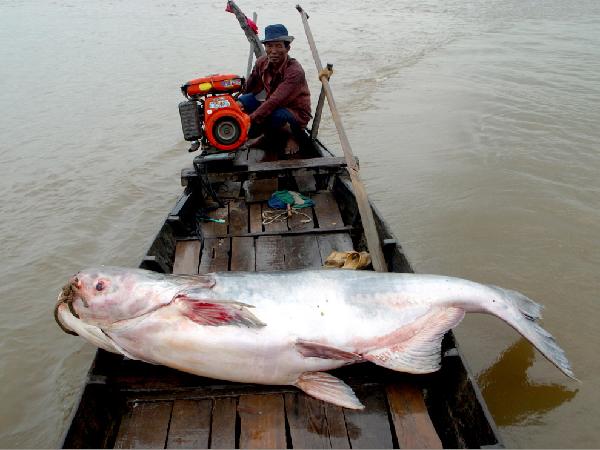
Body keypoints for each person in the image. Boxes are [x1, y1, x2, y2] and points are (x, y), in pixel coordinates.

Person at [238, 24, 311, 155]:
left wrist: (249, 119)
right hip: (273, 106)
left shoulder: (295, 71)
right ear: (265, 47)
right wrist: (236, 105)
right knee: (244, 100)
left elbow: (275, 101)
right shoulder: (261, 62)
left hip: (294, 114)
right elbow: (249, 89)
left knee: (276, 115)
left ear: (287, 48)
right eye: (269, 46)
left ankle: (292, 137)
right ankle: (261, 133)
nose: (273, 51)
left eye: (278, 46)